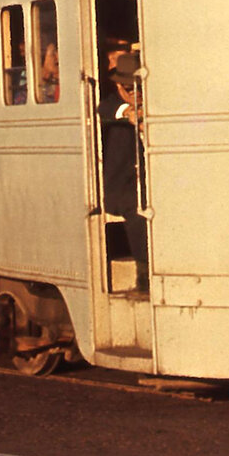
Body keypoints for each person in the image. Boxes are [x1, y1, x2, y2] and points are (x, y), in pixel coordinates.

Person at [98, 52, 149, 292]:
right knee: (137, 207)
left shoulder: (153, 104)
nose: (135, 93)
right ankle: (145, 274)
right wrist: (128, 113)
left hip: (148, 185)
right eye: (129, 88)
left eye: (139, 87)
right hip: (118, 189)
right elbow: (107, 112)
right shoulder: (111, 105)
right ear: (118, 85)